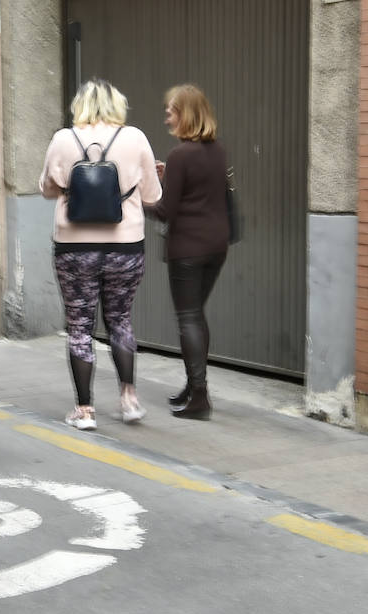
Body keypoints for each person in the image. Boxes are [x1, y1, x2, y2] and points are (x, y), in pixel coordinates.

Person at [40, 78, 162, 430]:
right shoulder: (135, 137)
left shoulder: (63, 139)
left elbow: (46, 188)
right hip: (126, 246)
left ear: (79, 106)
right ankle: (129, 400)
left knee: (80, 326)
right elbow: (153, 196)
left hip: (74, 249)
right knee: (120, 319)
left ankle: (84, 411)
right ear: (117, 105)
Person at [152, 84, 230, 421]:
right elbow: (201, 190)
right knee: (196, 315)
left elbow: (165, 210)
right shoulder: (218, 150)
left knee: (188, 318)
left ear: (185, 114)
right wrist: (169, 176)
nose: (167, 117)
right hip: (216, 245)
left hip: (188, 249)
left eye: (171, 111)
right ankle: (193, 387)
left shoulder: (180, 155)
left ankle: (199, 398)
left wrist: (135, 198)